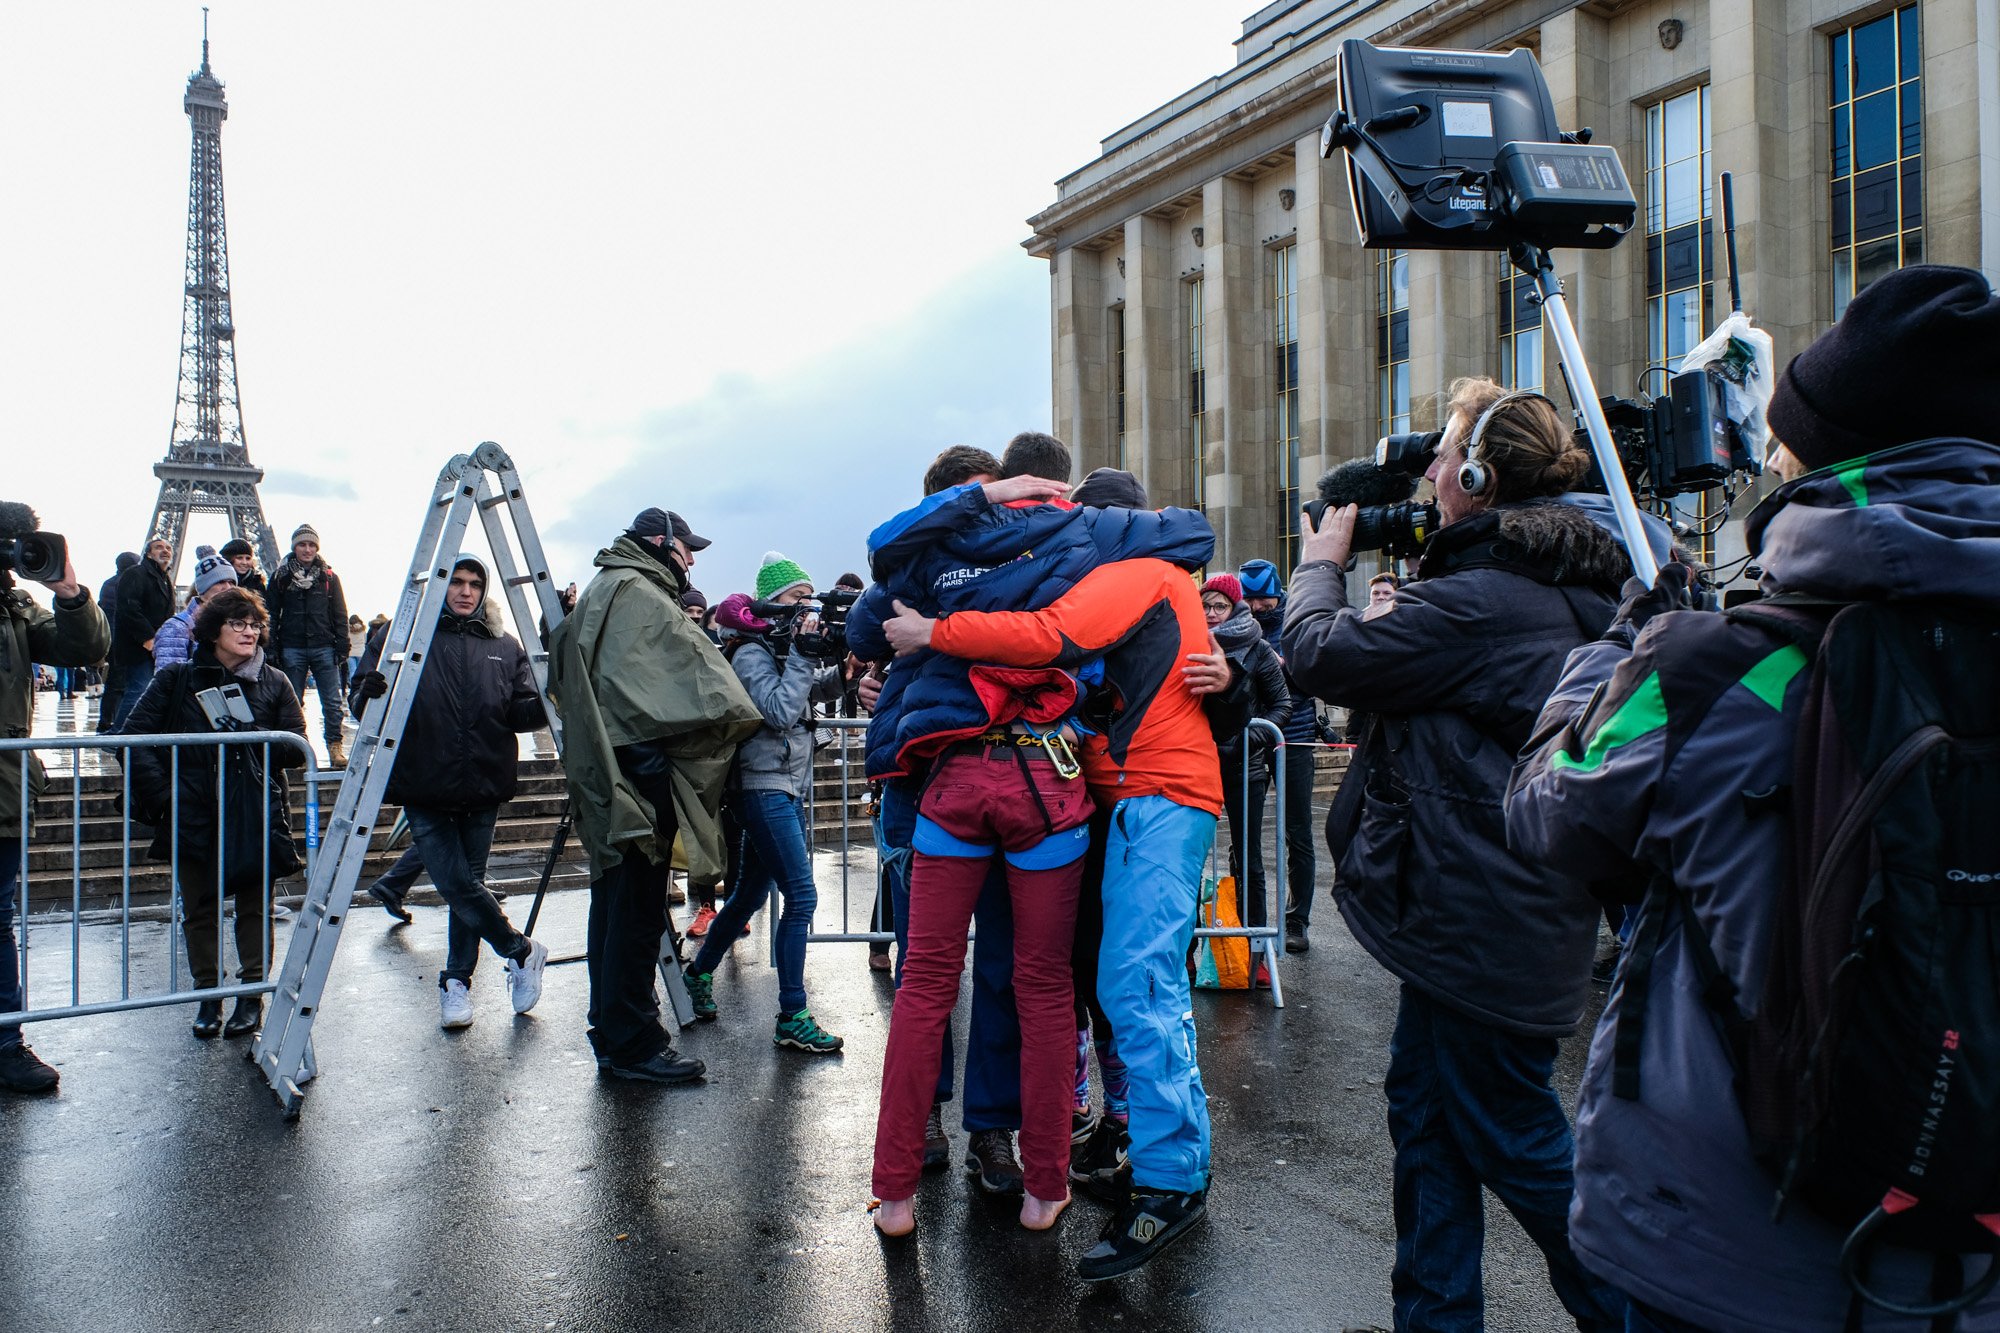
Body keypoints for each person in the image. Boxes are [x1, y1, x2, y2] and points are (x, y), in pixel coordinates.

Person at [1507, 265, 2000, 1332]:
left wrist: (1625, 641)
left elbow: (1548, 805)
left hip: (1735, 1253)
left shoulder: (1713, 666)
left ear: (1818, 454)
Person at [1283, 379, 1631, 1331]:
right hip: (1487, 912)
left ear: (1478, 478)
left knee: (1510, 1134)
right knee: (1429, 1120)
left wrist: (1321, 564)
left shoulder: (1487, 602)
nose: (1428, 474)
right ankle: (1435, 1318)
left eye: (1441, 457)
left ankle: (1640, 1313)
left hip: (1484, 919)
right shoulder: (1562, 587)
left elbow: (1318, 654)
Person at [849, 433, 1213, 1201]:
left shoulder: (1047, 548)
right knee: (987, 975)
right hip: (982, 787)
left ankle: (979, 1134)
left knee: (985, 975)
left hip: (1001, 786)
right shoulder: (944, 557)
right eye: (1002, 499)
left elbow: (1115, 635)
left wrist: (1231, 668)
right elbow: (859, 627)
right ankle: (982, 1147)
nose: (1014, 514)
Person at [547, 507, 760, 1085]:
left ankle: (615, 1034)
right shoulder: (636, 593)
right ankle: (635, 1044)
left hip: (614, 778)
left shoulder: (612, 587)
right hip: (637, 783)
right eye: (686, 547)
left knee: (615, 912)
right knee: (638, 916)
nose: (691, 558)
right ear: (657, 542)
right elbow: (681, 687)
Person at [349, 555, 550, 1028]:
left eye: (474, 583)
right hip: (425, 780)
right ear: (440, 587)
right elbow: (361, 705)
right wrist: (370, 693)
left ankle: (456, 983)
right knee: (456, 884)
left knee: (467, 889)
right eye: (456, 582)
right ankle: (520, 951)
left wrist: (547, 699)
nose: (465, 591)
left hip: (483, 780)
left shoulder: (504, 644)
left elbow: (519, 713)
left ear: (484, 590)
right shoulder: (400, 637)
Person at [124, 587, 307, 1040]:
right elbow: (132, 738)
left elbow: (296, 748)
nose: (250, 632)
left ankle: (251, 995)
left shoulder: (274, 680)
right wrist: (168, 796)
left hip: (254, 808)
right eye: (238, 624)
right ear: (213, 631)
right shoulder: (177, 680)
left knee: (254, 907)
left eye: (255, 624)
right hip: (194, 809)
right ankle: (207, 996)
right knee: (200, 909)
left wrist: (251, 737)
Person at [682, 566, 848, 1055]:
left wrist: (843, 672)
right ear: (775, 604)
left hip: (785, 786)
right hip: (762, 786)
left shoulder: (777, 649)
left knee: (750, 894)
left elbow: (809, 691)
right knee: (802, 897)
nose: (808, 610)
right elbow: (777, 710)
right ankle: (792, 1014)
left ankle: (697, 974)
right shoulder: (751, 652)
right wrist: (801, 654)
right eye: (798, 599)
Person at [0, 502, 110, 1094]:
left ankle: (5, 1041)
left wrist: (70, 593)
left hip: (5, 788)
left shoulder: (16, 606)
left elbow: (82, 650)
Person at [1201, 573, 1289, 964]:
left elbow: (1281, 706)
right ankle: (1189, 949)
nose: (1210, 613)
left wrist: (1243, 738)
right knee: (1189, 858)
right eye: (1205, 605)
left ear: (1234, 606)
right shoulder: (1188, 640)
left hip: (1245, 767)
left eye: (1219, 605)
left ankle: (1255, 949)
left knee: (1248, 858)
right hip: (1197, 765)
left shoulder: (1257, 648)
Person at [1237, 558, 1322, 953]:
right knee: (1246, 835)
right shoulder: (1237, 623)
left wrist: (1287, 668)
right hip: (1251, 737)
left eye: (1264, 600)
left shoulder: (1297, 620)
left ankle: (1297, 921)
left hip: (1295, 736)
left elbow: (1321, 671)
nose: (1257, 608)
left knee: (1298, 832)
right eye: (1250, 600)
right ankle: (1247, 923)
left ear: (1278, 592)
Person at [267, 524, 350, 768]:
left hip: (323, 644)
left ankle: (335, 747)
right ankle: (298, 749)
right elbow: (271, 613)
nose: (307, 549)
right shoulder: (281, 577)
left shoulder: (329, 578)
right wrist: (273, 647)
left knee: (332, 702)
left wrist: (342, 645)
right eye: (302, 544)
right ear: (294, 547)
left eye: (311, 545)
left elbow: (339, 613)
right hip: (292, 645)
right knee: (293, 702)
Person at [107, 537, 175, 732]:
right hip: (139, 645)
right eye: (159, 547)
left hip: (155, 644)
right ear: (148, 553)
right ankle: (120, 733)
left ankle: (126, 731)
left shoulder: (163, 577)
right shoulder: (136, 574)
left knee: (142, 689)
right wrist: (147, 638)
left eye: (168, 548)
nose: (165, 551)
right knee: (138, 689)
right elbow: (128, 609)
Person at [153, 546, 238, 669]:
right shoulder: (176, 627)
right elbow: (168, 680)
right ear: (203, 589)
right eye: (220, 582)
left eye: (231, 582)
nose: (227, 588)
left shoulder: (238, 624)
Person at [346, 613, 366, 679]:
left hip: (350, 652)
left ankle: (353, 685)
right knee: (360, 670)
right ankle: (359, 685)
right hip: (361, 652)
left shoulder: (347, 630)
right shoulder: (363, 630)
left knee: (352, 670)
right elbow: (365, 640)